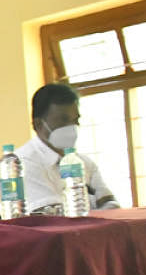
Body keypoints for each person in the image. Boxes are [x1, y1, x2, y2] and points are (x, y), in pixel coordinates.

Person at [18, 83, 120, 213]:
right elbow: (53, 217)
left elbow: (111, 205)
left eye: (75, 120)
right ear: (38, 124)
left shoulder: (85, 163)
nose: (72, 127)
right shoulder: (23, 162)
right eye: (63, 120)